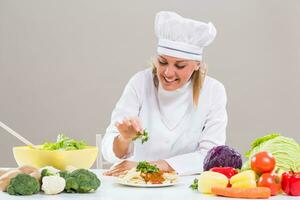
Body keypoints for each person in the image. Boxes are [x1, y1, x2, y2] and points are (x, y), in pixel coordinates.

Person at [102, 11, 227, 176]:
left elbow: (211, 155)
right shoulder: (140, 82)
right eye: (162, 62)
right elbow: (108, 151)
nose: (168, 73)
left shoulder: (213, 91)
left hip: (186, 186)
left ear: (197, 64)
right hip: (137, 183)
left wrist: (146, 166)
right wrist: (124, 138)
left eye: (180, 66)